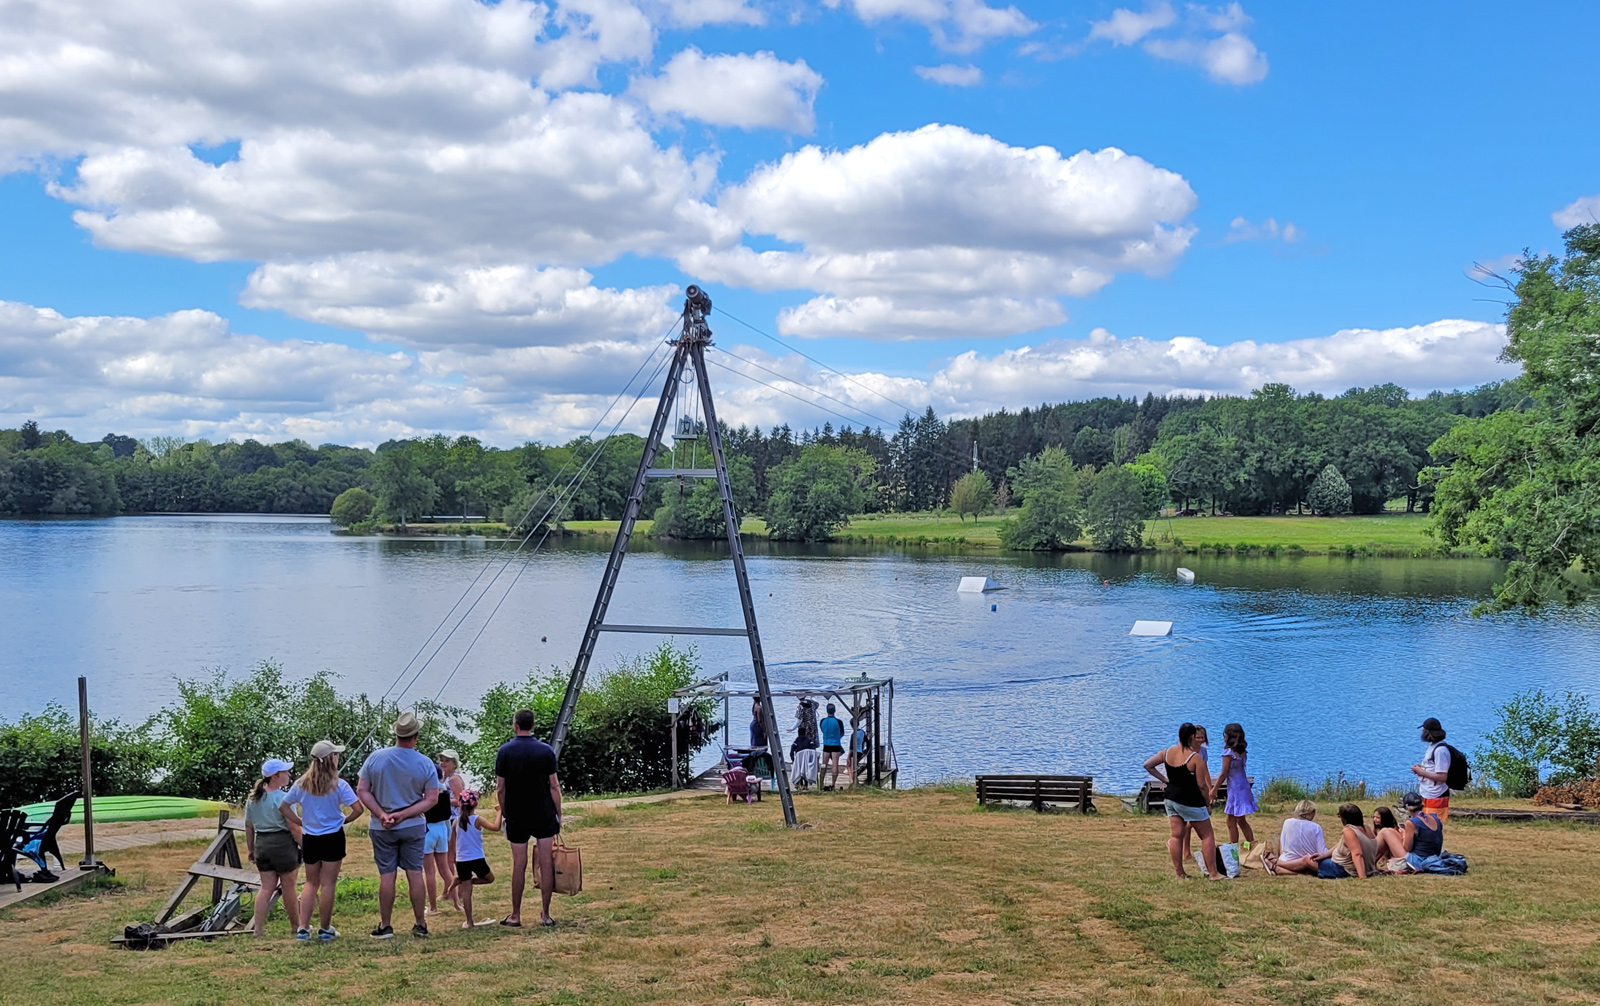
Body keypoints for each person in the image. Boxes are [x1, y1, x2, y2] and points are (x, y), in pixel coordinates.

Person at [357, 711, 441, 939]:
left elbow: (362, 790)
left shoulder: (376, 758)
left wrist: (382, 814)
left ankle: (385, 925)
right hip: (413, 825)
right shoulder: (424, 763)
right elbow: (431, 798)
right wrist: (404, 815)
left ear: (396, 734)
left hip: (380, 826)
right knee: (415, 873)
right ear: (415, 736)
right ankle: (420, 924)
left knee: (387, 875)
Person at [281, 740, 363, 941]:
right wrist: (345, 820)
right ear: (330, 759)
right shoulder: (339, 784)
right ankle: (325, 928)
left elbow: (283, 807)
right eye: (335, 754)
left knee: (311, 882)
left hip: (310, 837)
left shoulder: (301, 783)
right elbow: (358, 809)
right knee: (328, 884)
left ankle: (303, 927)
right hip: (333, 837)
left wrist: (300, 821)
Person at [495, 708, 563, 928]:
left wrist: (505, 812)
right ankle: (545, 914)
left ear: (515, 725)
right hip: (543, 811)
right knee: (545, 862)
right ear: (533, 725)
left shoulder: (504, 752)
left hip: (517, 813)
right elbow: (554, 786)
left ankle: (515, 914)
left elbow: (500, 788)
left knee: (519, 864)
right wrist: (558, 813)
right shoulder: (546, 751)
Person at [1143, 723, 1222, 880]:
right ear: (1192, 737)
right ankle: (1213, 873)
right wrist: (1207, 804)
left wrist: (1164, 780)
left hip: (1171, 799)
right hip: (1191, 801)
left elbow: (1148, 765)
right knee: (1207, 835)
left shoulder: (1167, 752)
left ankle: (1180, 873)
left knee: (1176, 835)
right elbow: (1201, 785)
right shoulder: (1195, 758)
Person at [244, 758, 302, 937]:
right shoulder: (284, 798)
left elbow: (249, 826)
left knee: (266, 887)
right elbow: (293, 826)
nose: (289, 775)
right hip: (282, 845)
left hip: (262, 844)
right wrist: (304, 845)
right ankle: (295, 926)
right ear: (276, 776)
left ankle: (258, 929)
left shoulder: (252, 799)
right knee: (288, 887)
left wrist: (251, 849)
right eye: (285, 772)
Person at [445, 789, 500, 929]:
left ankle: (469, 921)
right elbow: (496, 827)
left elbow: (452, 843)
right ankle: (463, 881)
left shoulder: (456, 822)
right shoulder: (477, 819)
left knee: (467, 892)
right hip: (477, 858)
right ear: (475, 805)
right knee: (490, 879)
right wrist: (500, 811)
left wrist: (452, 858)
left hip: (462, 860)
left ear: (460, 804)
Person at [422, 750, 466, 915]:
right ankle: (456, 903)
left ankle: (433, 907)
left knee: (430, 872)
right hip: (443, 829)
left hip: (428, 831)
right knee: (446, 870)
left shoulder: (427, 795)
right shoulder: (445, 793)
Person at [1264, 800, 1330, 875]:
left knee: (1282, 839)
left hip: (1287, 861)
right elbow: (1321, 851)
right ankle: (1283, 869)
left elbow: (1283, 845)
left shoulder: (1288, 822)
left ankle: (1280, 866)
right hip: (1307, 864)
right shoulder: (1316, 827)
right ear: (1312, 813)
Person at [1219, 723, 1257, 848]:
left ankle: (1233, 847)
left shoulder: (1228, 753)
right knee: (1241, 820)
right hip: (1243, 786)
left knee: (1230, 821)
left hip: (1235, 788)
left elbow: (1224, 773)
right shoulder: (1241, 751)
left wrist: (1214, 789)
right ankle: (1251, 844)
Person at [1319, 803, 1378, 879]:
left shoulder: (1349, 831)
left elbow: (1357, 854)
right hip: (1368, 870)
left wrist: (1362, 877)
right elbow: (1347, 844)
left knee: (1307, 861)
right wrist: (1324, 855)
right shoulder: (1366, 828)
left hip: (1344, 869)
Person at [1411, 717, 1453, 822]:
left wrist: (1422, 772)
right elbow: (1432, 768)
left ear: (1428, 732)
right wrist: (1421, 769)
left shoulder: (1440, 751)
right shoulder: (1433, 747)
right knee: (1425, 824)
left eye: (1423, 730)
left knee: (1434, 825)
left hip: (1436, 795)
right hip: (1427, 793)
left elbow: (1442, 777)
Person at [1401, 791, 1444, 858]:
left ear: (1407, 808)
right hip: (1435, 857)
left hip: (1420, 860)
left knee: (1386, 832)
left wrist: (1403, 835)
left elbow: (1407, 848)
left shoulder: (1411, 822)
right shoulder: (1435, 818)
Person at [819, 703, 846, 790]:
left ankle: (821, 783)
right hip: (836, 745)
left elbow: (822, 730)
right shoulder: (839, 722)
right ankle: (833, 784)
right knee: (835, 765)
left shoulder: (822, 721)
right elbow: (842, 733)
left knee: (824, 764)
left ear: (827, 711)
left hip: (826, 744)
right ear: (835, 710)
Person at [791, 696, 819, 761]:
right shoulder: (812, 704)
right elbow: (817, 703)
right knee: (812, 747)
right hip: (813, 730)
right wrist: (812, 697)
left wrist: (793, 728)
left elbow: (799, 720)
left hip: (804, 731)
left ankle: (803, 762)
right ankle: (812, 761)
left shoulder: (800, 707)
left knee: (803, 747)